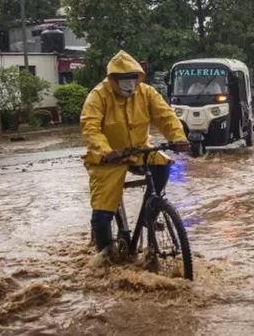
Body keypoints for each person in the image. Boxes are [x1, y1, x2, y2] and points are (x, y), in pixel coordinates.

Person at [80, 50, 190, 267]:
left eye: (133, 79)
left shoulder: (146, 93)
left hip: (140, 150)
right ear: (113, 80)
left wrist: (178, 138)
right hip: (108, 158)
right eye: (124, 80)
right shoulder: (98, 96)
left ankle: (153, 210)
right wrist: (105, 151)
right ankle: (105, 255)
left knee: (163, 163)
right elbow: (90, 126)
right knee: (102, 212)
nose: (130, 84)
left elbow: (165, 116)